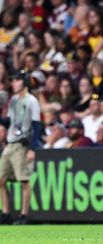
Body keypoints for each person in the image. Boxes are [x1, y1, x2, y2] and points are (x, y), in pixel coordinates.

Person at [0, 71, 42, 225]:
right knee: (1, 179)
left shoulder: (32, 101)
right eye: (13, 81)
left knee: (24, 180)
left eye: (16, 81)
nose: (13, 84)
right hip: (10, 143)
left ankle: (24, 215)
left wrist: (33, 148)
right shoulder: (14, 100)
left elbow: (37, 126)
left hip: (22, 144)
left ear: (24, 82)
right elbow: (9, 121)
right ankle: (6, 213)